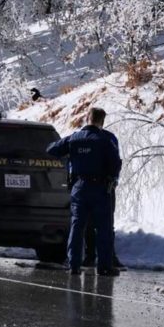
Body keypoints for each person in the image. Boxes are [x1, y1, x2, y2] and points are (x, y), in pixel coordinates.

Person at [47, 107, 122, 276]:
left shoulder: (74, 138)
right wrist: (110, 177)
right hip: (100, 188)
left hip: (79, 187)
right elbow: (116, 163)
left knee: (77, 226)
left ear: (87, 118)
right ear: (102, 121)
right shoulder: (105, 139)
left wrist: (73, 155)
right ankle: (104, 266)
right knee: (103, 227)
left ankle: (74, 265)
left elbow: (52, 149)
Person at [83, 127, 126, 270]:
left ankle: (95, 256)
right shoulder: (109, 137)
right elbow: (117, 161)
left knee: (93, 222)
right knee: (104, 223)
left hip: (92, 185)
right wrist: (114, 180)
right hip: (105, 185)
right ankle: (103, 257)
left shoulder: (81, 136)